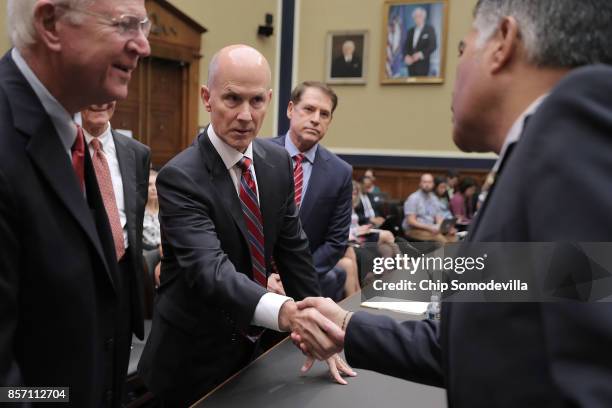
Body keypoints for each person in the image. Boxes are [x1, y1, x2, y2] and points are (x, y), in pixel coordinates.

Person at [293, 0, 612, 406]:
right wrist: (347, 326)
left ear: (503, 43)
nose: (456, 71)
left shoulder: (575, 131)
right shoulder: (530, 164)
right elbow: (485, 340)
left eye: (461, 50)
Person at [137, 45, 355, 407]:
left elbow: (295, 252)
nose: (245, 115)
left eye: (256, 101)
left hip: (252, 355)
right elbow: (211, 270)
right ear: (207, 98)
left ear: (270, 100)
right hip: (190, 363)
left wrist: (322, 329)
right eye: (232, 99)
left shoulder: (277, 162)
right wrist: (286, 312)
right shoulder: (180, 177)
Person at [0, 1, 150, 406]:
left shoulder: (69, 138)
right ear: (51, 24)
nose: (143, 45)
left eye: (144, 26)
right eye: (125, 25)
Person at [268, 81, 354, 301]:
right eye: (309, 109)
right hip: (254, 279)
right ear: (290, 110)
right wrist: (264, 275)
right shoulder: (257, 155)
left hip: (306, 286)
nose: (316, 119)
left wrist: (295, 278)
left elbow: (336, 242)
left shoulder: (340, 173)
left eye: (324, 114)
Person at [403, 173, 454, 243]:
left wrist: (444, 228)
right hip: (414, 230)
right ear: (420, 184)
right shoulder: (413, 198)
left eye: (429, 182)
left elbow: (438, 217)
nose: (427, 185)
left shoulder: (434, 198)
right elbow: (411, 221)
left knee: (453, 238)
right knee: (441, 239)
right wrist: (429, 228)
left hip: (431, 228)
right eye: (424, 182)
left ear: (433, 184)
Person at [403, 7, 438, 76]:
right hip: (411, 66)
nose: (417, 18)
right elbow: (406, 47)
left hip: (423, 66)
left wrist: (420, 55)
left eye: (419, 16)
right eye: (415, 17)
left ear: (423, 17)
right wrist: (406, 56)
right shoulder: (410, 31)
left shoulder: (429, 29)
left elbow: (433, 46)